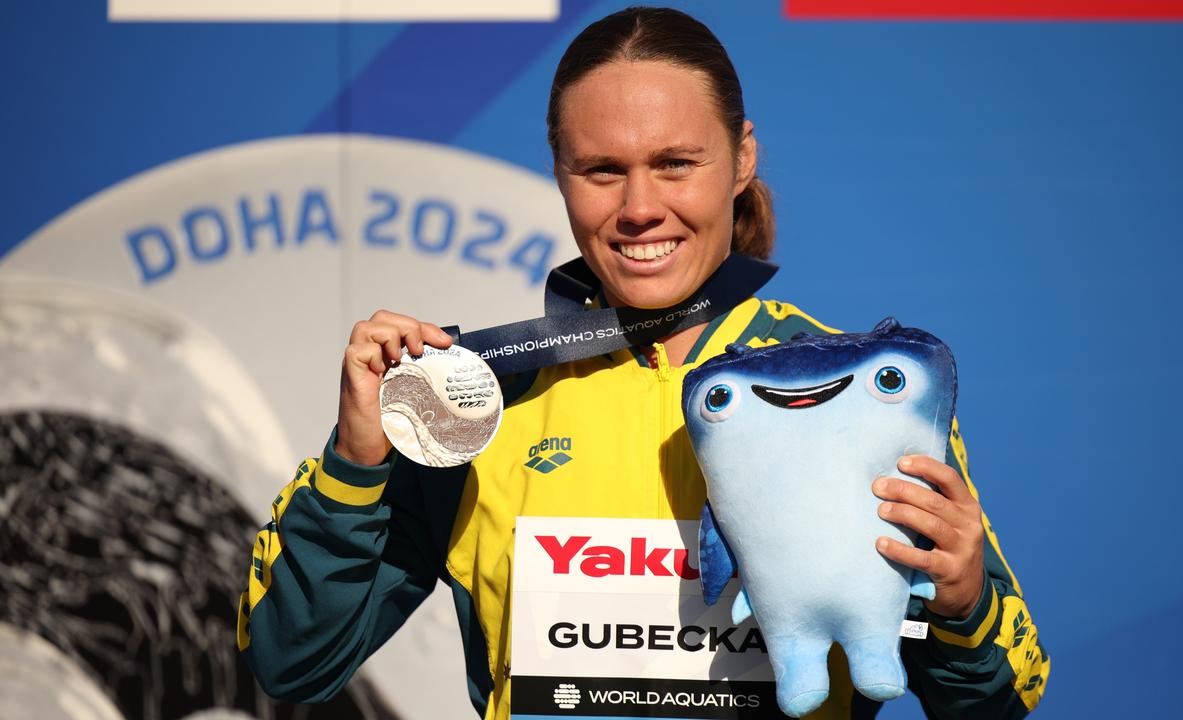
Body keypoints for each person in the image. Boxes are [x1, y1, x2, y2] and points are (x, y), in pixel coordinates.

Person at [237, 7, 1047, 718]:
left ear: (741, 160)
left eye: (674, 163)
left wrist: (962, 600)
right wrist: (355, 463)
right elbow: (291, 663)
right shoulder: (477, 401)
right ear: (561, 172)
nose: (638, 209)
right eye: (602, 171)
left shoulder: (856, 391)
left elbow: (997, 701)